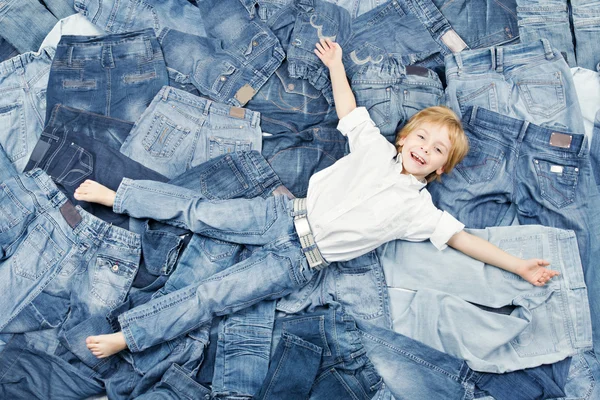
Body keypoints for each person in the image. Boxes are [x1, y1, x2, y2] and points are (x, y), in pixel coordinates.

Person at [76, 39, 558, 359]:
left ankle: (130, 336)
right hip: (281, 213)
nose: (424, 150)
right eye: (422, 138)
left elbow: (465, 240)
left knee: (214, 296)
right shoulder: (372, 146)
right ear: (405, 136)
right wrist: (335, 66)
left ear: (439, 169)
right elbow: (348, 109)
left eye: (436, 151)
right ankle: (121, 196)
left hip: (301, 261)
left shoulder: (420, 210)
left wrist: (518, 267)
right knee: (197, 210)